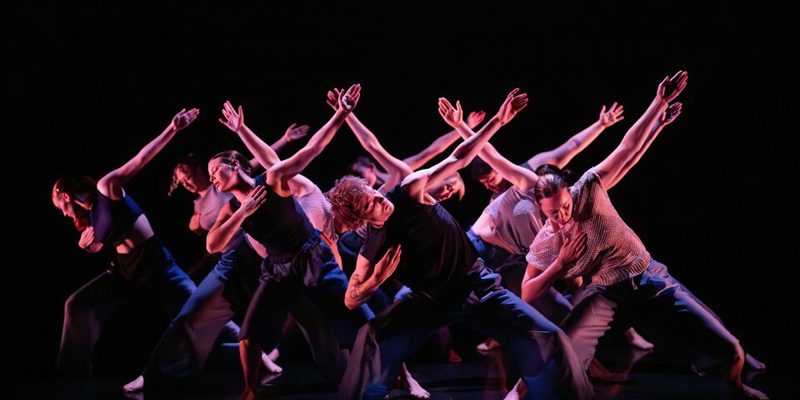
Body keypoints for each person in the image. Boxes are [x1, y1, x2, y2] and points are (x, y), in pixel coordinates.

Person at [329, 89, 592, 400]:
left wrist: (497, 120)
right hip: (432, 302)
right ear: (362, 218)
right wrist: (374, 280)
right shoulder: (373, 244)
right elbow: (350, 299)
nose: (379, 200)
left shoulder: (410, 190)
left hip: (477, 287)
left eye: (375, 193)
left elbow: (460, 156)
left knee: (551, 338)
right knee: (372, 338)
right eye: (371, 204)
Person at [521, 71, 767, 399]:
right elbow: (527, 292)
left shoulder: (589, 189)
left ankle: (737, 388)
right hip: (607, 293)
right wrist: (560, 265)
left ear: (570, 192)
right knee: (563, 354)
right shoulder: (547, 242)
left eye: (565, 206)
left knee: (729, 345)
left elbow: (628, 149)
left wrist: (658, 104)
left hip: (648, 276)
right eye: (554, 212)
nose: (563, 215)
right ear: (540, 209)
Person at [208, 85, 373, 400]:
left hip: (314, 257)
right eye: (211, 175)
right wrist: (242, 212)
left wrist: (341, 113)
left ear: (235, 164)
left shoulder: (273, 181)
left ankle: (393, 373)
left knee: (359, 315)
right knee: (250, 331)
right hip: (279, 270)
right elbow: (213, 245)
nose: (213, 177)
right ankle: (249, 390)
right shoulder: (232, 209)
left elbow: (312, 148)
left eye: (217, 170)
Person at [53, 108, 200, 377]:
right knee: (76, 305)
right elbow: (99, 246)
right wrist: (86, 248)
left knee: (196, 308)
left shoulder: (106, 188)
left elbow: (140, 159)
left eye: (59, 207)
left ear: (64, 193)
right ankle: (71, 372)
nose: (63, 214)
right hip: (123, 269)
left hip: (154, 262)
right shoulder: (91, 219)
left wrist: (173, 128)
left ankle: (251, 352)